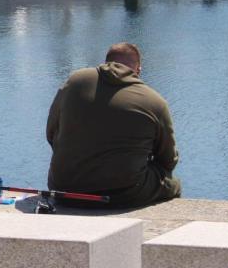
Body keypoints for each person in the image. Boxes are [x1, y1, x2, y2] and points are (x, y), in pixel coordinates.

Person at [46, 43, 181, 208]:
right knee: (172, 183)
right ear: (138, 71)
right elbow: (168, 160)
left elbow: (51, 132)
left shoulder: (75, 81)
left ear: (106, 63)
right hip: (123, 193)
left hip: (64, 188)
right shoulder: (155, 101)